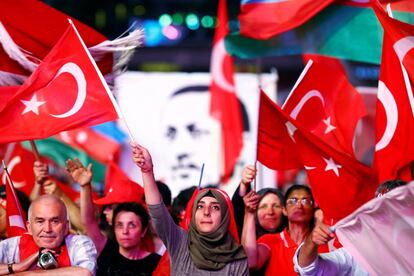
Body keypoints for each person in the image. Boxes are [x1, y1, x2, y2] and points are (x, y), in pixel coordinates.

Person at [131, 143, 249, 275]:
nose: (206, 212)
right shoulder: (180, 242)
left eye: (215, 207)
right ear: (193, 213)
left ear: (225, 217)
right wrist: (147, 171)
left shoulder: (238, 260)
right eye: (200, 206)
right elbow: (157, 211)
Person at [66, 158, 161, 276]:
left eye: (132, 225)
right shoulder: (106, 250)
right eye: (119, 225)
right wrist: (85, 186)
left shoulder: (159, 259)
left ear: (143, 229)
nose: (125, 231)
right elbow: (88, 221)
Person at [293, 179, 408, 276]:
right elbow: (309, 268)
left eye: (395, 208)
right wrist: (312, 242)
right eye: (380, 210)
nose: (387, 217)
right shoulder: (361, 250)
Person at [0, 194, 96, 275]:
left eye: (55, 221)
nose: (47, 229)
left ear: (66, 226)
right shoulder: (12, 246)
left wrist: (29, 274)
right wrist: (18, 267)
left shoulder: (78, 243)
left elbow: (86, 273)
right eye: (40, 221)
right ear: (29, 227)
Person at [242, 184, 326, 275]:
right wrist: (249, 213)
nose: (299, 205)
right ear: (284, 210)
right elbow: (250, 263)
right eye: (293, 201)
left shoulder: (322, 242)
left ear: (313, 209)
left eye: (305, 201)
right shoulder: (270, 240)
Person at [233, 165, 286, 238]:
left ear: (285, 210)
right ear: (254, 211)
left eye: (276, 206)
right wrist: (244, 185)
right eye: (263, 206)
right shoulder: (244, 239)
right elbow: (237, 211)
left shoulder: (295, 240)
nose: (270, 212)